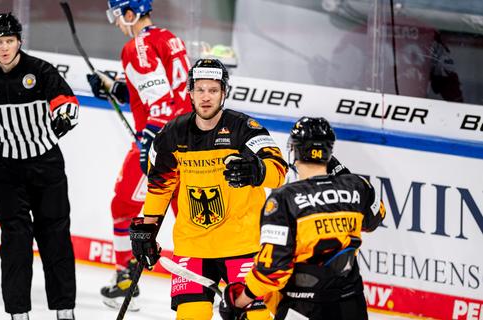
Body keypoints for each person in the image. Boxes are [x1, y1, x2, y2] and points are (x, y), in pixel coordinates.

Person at [128, 58, 288, 320]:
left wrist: (257, 171)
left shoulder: (245, 129)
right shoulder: (173, 133)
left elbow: (280, 171)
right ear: (189, 92)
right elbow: (160, 186)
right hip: (193, 247)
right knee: (191, 315)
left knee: (256, 318)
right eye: (200, 89)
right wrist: (147, 229)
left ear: (224, 93)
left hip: (242, 245)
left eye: (213, 90)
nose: (206, 97)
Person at [0, 13, 78, 320]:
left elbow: (67, 100)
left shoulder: (40, 70)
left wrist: (64, 117)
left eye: (9, 40)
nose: (4, 47)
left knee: (55, 236)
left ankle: (65, 311)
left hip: (45, 164)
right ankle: (18, 313)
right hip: (4, 170)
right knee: (15, 240)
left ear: (19, 41)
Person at [219, 117, 387, 320]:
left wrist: (240, 299)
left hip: (303, 308)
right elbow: (375, 218)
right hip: (351, 304)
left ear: (295, 151)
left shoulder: (283, 199)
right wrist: (339, 171)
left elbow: (272, 270)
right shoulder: (357, 186)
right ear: (329, 152)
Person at [86, 0, 192, 308]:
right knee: (189, 218)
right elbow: (168, 92)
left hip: (163, 142)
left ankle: (125, 279)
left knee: (123, 207)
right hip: (192, 143)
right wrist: (116, 87)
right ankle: (216, 285)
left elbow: (160, 104)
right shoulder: (169, 38)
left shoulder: (137, 47)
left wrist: (148, 145)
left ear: (130, 13)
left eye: (118, 16)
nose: (117, 23)